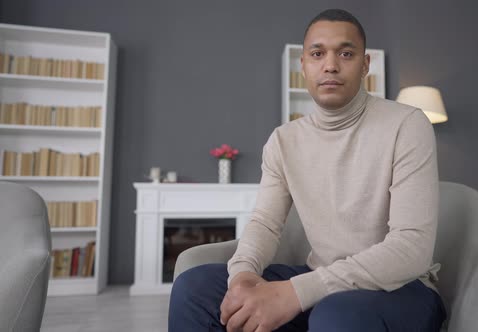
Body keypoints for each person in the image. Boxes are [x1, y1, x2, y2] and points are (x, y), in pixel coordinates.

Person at [169, 8, 447, 332]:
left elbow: (410, 249)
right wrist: (244, 276)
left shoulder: (407, 125)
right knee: (193, 288)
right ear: (303, 65)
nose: (330, 65)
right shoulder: (283, 141)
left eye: (345, 53)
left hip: (400, 288)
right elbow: (265, 224)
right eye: (317, 54)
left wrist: (295, 293)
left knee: (337, 315)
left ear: (365, 65)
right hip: (320, 282)